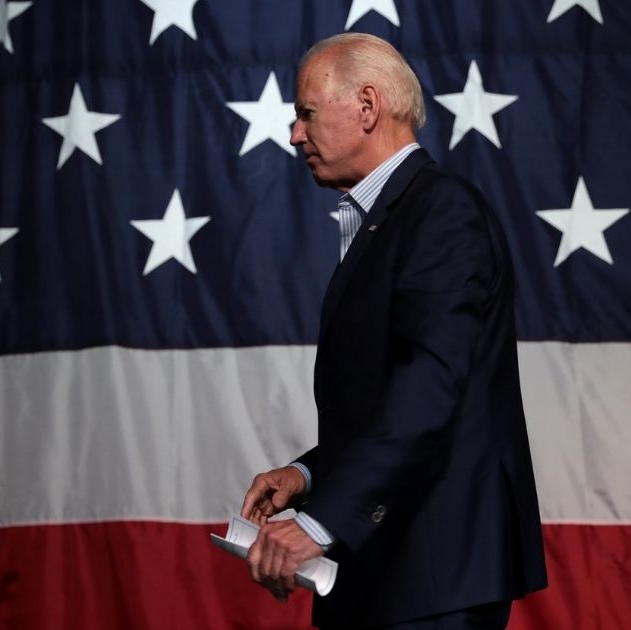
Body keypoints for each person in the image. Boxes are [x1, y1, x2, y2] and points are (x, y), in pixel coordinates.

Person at [241, 32, 547, 629]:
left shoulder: (440, 213)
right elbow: (387, 401)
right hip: (390, 573)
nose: (294, 134)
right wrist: (309, 475)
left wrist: (320, 522)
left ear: (367, 106)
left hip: (433, 576)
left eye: (305, 113)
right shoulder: (391, 217)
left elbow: (431, 387)